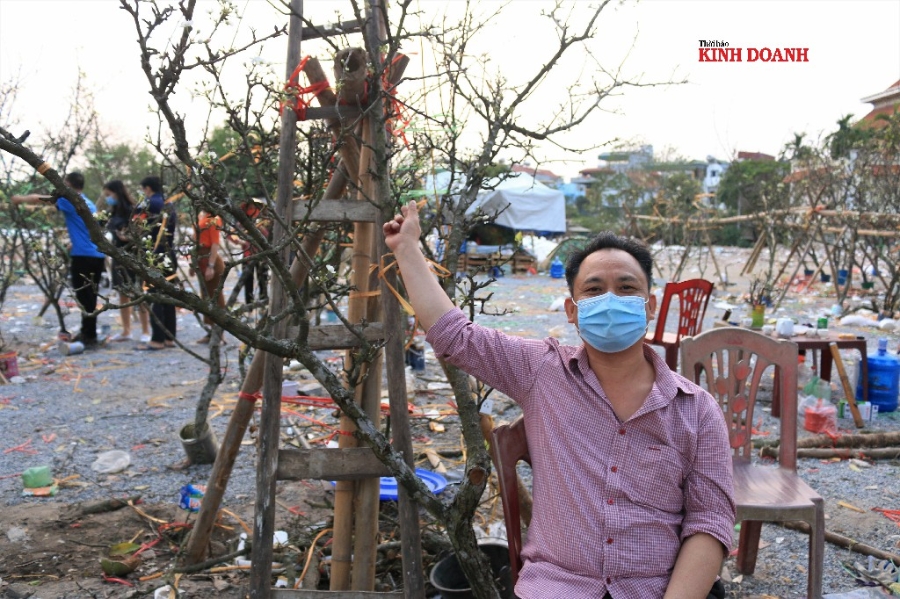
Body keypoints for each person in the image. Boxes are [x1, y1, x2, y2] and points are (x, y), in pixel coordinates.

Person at [383, 201, 735, 599]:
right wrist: (407, 249)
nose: (611, 300)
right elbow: (455, 336)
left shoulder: (697, 410)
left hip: (656, 589)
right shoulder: (541, 371)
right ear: (572, 310)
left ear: (649, 306)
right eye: (594, 290)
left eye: (627, 288)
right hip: (558, 587)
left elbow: (710, 522)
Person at [12, 172, 107, 348]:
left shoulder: (69, 200)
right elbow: (86, 229)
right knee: (90, 296)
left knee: (83, 296)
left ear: (69, 185)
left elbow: (40, 198)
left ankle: (89, 336)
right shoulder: (89, 202)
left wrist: (19, 199)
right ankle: (88, 333)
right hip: (96, 254)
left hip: (83, 255)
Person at [102, 180, 151, 343]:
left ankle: (145, 330)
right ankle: (126, 330)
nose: (108, 198)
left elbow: (140, 233)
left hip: (133, 256)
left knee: (138, 293)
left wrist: (128, 237)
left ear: (117, 193)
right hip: (118, 256)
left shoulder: (133, 210)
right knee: (122, 294)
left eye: (109, 195)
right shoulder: (113, 212)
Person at [134, 175, 178, 350]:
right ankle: (169, 337)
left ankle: (157, 339)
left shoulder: (148, 204)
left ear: (148, 188)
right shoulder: (169, 204)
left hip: (154, 254)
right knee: (168, 295)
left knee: (154, 295)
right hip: (169, 253)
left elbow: (136, 224)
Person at [194, 207, 226, 344]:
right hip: (202, 261)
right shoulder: (204, 217)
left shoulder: (213, 220)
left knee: (215, 298)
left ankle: (219, 333)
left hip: (209, 262)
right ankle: (211, 332)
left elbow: (214, 244)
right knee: (206, 298)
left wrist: (211, 266)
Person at [231, 198, 269, 307]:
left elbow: (267, 236)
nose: (253, 210)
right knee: (248, 282)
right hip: (248, 256)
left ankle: (263, 303)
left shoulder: (264, 222)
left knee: (263, 281)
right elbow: (231, 234)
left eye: (254, 208)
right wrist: (239, 241)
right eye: (250, 208)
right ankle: (249, 306)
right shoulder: (242, 224)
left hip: (262, 256)